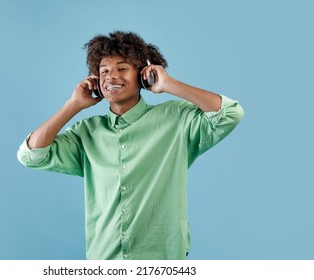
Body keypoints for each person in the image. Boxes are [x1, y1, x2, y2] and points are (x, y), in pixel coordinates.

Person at [17, 31, 244, 260]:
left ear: (143, 76)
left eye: (122, 69)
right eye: (104, 71)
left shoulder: (176, 119)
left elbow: (230, 113)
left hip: (162, 259)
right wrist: (73, 105)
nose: (111, 77)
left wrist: (168, 83)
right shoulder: (86, 133)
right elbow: (31, 155)